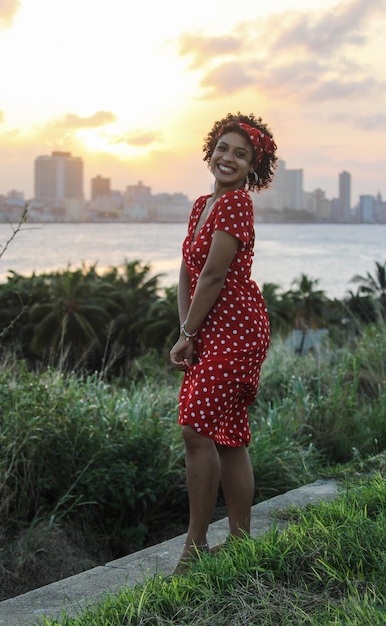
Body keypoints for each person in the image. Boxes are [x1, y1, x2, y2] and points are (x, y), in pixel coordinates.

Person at [169, 111, 277, 574]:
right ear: (210, 149)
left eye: (241, 154)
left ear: (253, 167)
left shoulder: (237, 204)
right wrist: (185, 331)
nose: (228, 158)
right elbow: (186, 272)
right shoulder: (201, 204)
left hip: (237, 332)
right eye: (223, 148)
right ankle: (240, 540)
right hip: (207, 330)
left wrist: (189, 333)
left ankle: (195, 545)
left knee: (196, 428)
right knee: (227, 437)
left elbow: (213, 275)